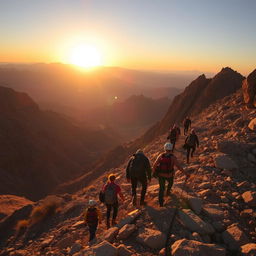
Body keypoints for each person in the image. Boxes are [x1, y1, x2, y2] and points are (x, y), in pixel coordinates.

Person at [153, 142, 185, 207]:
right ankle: (168, 192)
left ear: (165, 148)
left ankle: (160, 203)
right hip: (169, 175)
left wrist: (154, 172)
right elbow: (178, 166)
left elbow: (154, 164)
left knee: (161, 189)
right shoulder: (173, 157)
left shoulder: (161, 155)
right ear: (171, 149)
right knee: (170, 183)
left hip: (161, 175)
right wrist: (186, 173)